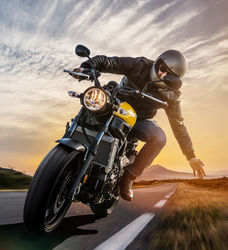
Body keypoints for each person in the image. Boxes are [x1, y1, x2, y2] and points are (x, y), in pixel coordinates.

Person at [72, 50, 206, 201]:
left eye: (168, 75)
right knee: (91, 102)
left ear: (174, 79)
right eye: (162, 69)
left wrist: (191, 156)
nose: (162, 75)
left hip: (139, 120)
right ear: (158, 62)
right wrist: (87, 67)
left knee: (159, 138)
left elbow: (178, 125)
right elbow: (111, 61)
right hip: (115, 105)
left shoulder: (171, 95)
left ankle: (129, 177)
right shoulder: (140, 65)